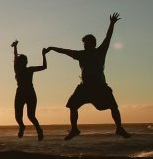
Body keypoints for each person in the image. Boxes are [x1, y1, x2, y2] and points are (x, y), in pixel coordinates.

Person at [46, 12, 131, 140]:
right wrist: (52, 48)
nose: (84, 45)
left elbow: (108, 38)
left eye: (86, 43)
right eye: (83, 43)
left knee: (114, 106)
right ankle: (74, 129)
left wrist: (111, 24)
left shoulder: (100, 52)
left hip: (100, 86)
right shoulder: (80, 54)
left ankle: (119, 128)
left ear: (93, 44)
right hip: (85, 87)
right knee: (72, 106)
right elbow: (65, 51)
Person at [11, 40, 47, 140]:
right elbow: (15, 57)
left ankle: (39, 130)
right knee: (18, 116)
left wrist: (43, 55)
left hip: (30, 94)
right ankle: (22, 126)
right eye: (20, 62)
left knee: (31, 116)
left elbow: (44, 67)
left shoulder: (30, 69)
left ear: (26, 62)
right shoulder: (17, 69)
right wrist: (15, 47)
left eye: (24, 62)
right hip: (20, 94)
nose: (22, 63)